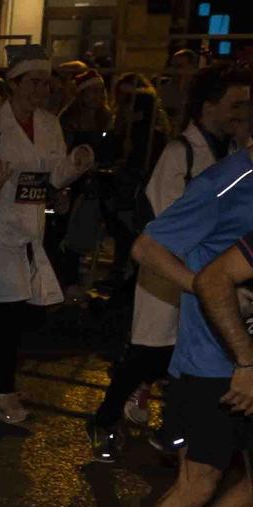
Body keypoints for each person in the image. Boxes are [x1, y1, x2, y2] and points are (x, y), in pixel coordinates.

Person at [107, 179, 253, 507]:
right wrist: (220, 302)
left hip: (246, 364)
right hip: (214, 363)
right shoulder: (229, 179)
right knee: (198, 482)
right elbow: (150, 249)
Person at [88, 68, 249, 461]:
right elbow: (163, 225)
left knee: (179, 358)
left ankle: (176, 431)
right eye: (237, 104)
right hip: (172, 277)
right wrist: (204, 281)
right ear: (210, 107)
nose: (244, 112)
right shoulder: (181, 153)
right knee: (150, 354)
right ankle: (107, 416)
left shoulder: (229, 153)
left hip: (209, 282)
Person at [0, 45, 99, 426]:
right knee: (7, 313)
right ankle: (3, 392)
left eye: (47, 82)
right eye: (35, 82)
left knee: (17, 311)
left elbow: (53, 176)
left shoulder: (50, 124)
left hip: (29, 228)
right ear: (13, 84)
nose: (43, 89)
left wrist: (75, 165)